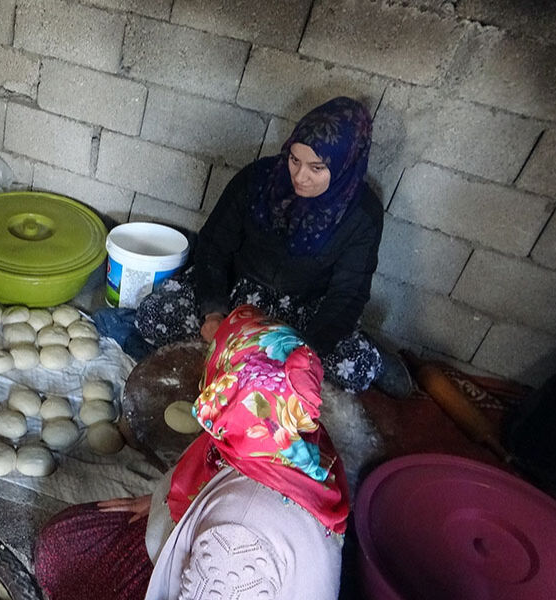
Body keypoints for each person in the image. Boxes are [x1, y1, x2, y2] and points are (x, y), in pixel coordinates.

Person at [35, 304, 349, 600]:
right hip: (218, 590)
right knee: (62, 541)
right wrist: (168, 503)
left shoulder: (239, 536)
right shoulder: (288, 431)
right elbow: (215, 472)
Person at [133, 96, 413, 397]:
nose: (300, 177)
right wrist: (213, 313)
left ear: (346, 164)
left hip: (302, 311)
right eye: (294, 160)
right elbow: (213, 246)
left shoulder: (362, 213)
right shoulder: (257, 180)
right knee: (153, 315)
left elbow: (348, 292)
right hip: (238, 294)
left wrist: (302, 351)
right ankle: (242, 351)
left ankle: (376, 356)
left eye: (316, 168)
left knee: (355, 367)